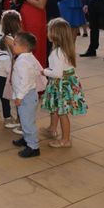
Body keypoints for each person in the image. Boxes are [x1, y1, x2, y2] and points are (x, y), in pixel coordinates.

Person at [40, 18, 87, 148]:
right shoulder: (65, 49)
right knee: (56, 108)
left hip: (61, 85)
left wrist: (44, 71)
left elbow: (57, 73)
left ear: (55, 34)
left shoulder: (57, 53)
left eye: (49, 31)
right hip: (65, 83)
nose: (47, 33)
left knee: (62, 113)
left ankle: (65, 140)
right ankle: (52, 128)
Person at [10, 32, 47, 158]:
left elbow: (25, 82)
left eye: (15, 44)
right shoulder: (28, 57)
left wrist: (19, 96)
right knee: (25, 119)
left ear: (24, 47)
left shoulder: (22, 62)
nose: (12, 46)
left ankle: (33, 147)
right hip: (28, 95)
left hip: (26, 96)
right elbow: (38, 70)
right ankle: (26, 139)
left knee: (27, 122)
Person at [0, 10, 23, 129]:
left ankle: (21, 121)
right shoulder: (17, 37)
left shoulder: (8, 39)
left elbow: (16, 55)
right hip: (16, 69)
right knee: (18, 96)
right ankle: (19, 119)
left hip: (16, 70)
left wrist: (13, 72)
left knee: (19, 96)